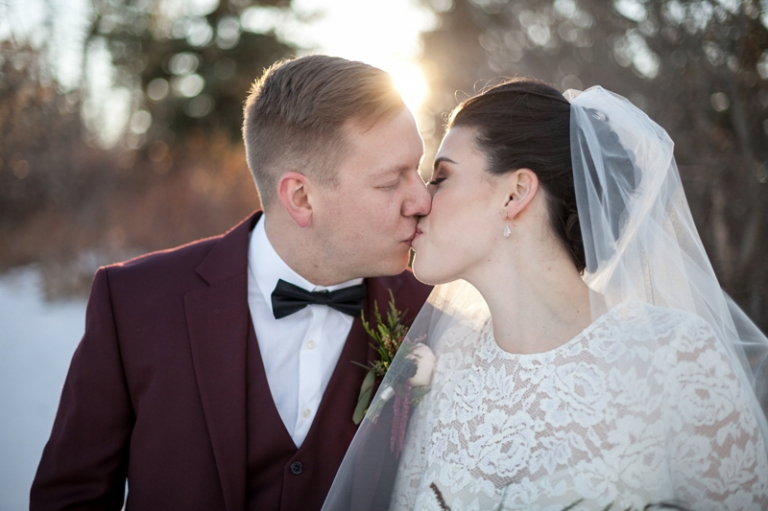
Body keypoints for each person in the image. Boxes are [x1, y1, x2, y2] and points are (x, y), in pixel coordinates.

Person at [322, 79, 768, 510]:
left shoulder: (679, 357)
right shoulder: (447, 357)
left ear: (515, 193)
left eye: (440, 177)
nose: (421, 201)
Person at [30, 55, 433, 510]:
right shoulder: (135, 303)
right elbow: (70, 498)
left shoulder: (433, 314)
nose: (421, 199)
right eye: (390, 182)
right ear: (301, 197)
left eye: (417, 170)